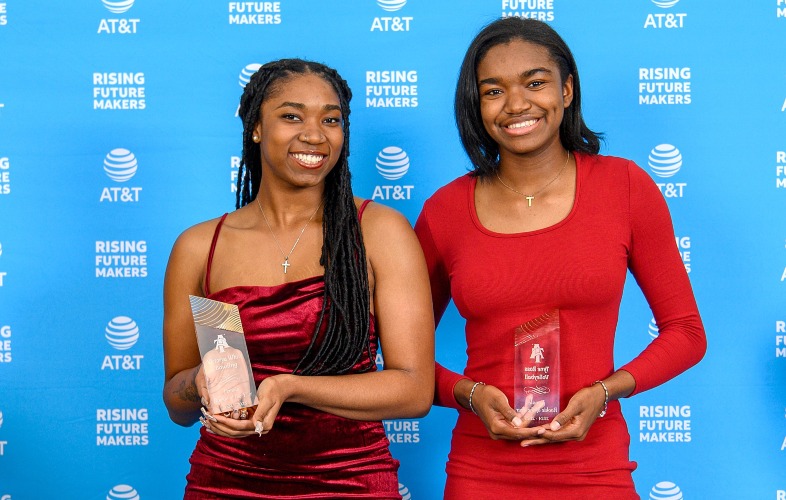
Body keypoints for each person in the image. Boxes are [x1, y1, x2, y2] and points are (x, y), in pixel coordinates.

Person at [414, 18, 706, 498]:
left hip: (596, 468)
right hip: (482, 474)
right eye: (493, 91)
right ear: (476, 105)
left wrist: (605, 392)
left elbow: (687, 333)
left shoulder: (624, 187)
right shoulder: (445, 211)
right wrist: (469, 395)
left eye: (535, 83)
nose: (517, 105)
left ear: (567, 90)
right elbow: (400, 357)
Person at [163, 58, 434, 499]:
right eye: (292, 116)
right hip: (225, 483)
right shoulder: (202, 246)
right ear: (255, 127)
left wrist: (289, 387)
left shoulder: (379, 231)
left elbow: (413, 390)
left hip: (352, 483)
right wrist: (198, 383)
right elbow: (177, 403)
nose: (314, 134)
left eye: (331, 119)